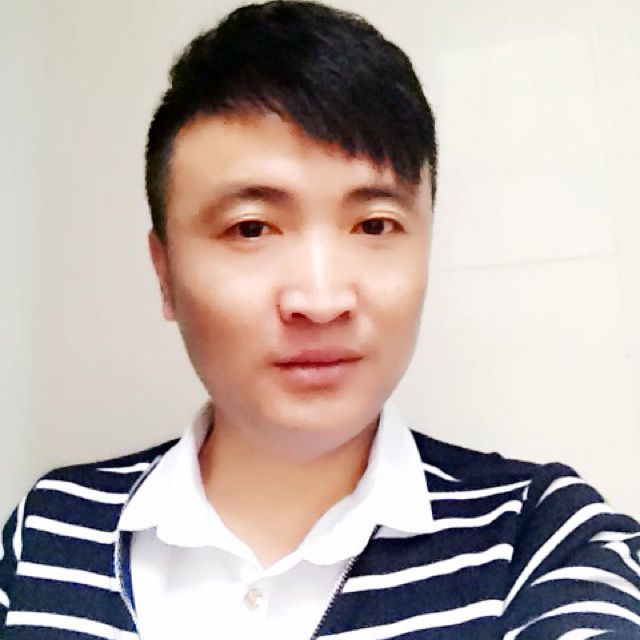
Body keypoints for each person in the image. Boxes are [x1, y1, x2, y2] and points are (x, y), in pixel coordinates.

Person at [1, 1, 639, 638]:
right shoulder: (47, 532)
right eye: (252, 228)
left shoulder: (543, 539)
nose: (321, 298)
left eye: (374, 225)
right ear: (165, 273)